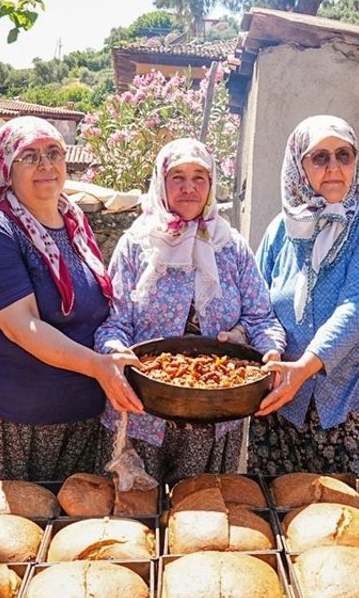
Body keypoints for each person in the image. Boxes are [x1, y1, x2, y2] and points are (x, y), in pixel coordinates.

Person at [0, 116, 143, 483]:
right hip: (3, 420)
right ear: (6, 170)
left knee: (61, 532)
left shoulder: (75, 226)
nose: (45, 165)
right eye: (29, 156)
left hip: (74, 416)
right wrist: (98, 366)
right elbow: (23, 327)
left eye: (53, 153)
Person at [96, 138, 285, 484]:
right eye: (177, 177)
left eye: (199, 177)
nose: (188, 187)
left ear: (211, 185)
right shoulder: (137, 245)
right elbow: (113, 323)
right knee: (136, 519)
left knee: (203, 517)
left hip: (216, 414)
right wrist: (114, 354)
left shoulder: (231, 246)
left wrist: (271, 349)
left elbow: (261, 317)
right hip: (142, 410)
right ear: (161, 183)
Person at [249, 115, 359, 477]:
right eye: (319, 157)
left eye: (344, 156)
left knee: (355, 522)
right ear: (298, 166)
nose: (334, 167)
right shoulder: (281, 228)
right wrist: (253, 340)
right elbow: (257, 304)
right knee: (283, 517)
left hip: (356, 404)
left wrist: (304, 368)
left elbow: (358, 307)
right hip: (285, 402)